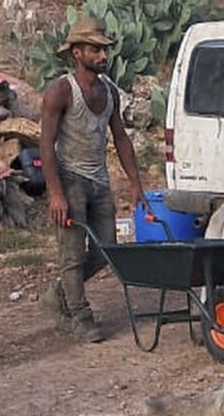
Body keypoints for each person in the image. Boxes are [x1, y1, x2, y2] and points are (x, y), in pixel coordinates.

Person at [39, 16, 144, 343]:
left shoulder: (109, 91)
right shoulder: (61, 92)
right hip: (70, 179)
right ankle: (80, 316)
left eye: (104, 50)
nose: (103, 56)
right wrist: (55, 193)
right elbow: (45, 144)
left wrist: (135, 184)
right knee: (71, 253)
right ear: (77, 53)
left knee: (107, 250)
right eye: (95, 50)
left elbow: (121, 138)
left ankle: (60, 294)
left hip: (98, 180)